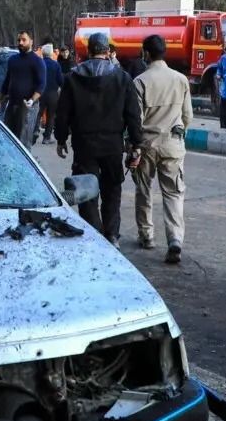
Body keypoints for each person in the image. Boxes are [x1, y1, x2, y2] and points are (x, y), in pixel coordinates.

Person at [55, 31, 143, 246]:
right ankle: (112, 234)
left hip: (84, 145)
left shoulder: (73, 78)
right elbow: (133, 114)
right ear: (108, 51)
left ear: (88, 51)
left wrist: (60, 139)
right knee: (112, 189)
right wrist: (136, 144)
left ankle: (93, 234)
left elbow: (63, 112)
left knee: (85, 191)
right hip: (113, 145)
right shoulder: (122, 78)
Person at [133, 35, 193, 263]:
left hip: (147, 144)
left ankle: (147, 235)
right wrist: (178, 133)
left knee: (144, 190)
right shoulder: (180, 79)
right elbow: (188, 116)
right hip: (173, 145)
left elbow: (136, 120)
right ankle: (175, 239)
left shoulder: (139, 81)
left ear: (146, 53)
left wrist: (133, 147)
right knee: (174, 193)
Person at [1, 31, 46, 146]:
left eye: (24, 40)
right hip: (12, 104)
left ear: (31, 41)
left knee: (23, 142)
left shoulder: (38, 61)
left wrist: (32, 100)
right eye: (19, 40)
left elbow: (41, 85)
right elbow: (7, 81)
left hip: (28, 107)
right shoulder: (12, 60)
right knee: (8, 138)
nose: (20, 42)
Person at [35, 45, 64, 143]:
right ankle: (47, 137)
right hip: (52, 94)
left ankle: (35, 131)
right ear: (51, 53)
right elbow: (60, 80)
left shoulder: (39, 64)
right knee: (51, 116)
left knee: (38, 114)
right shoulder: (56, 65)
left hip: (40, 93)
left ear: (42, 53)